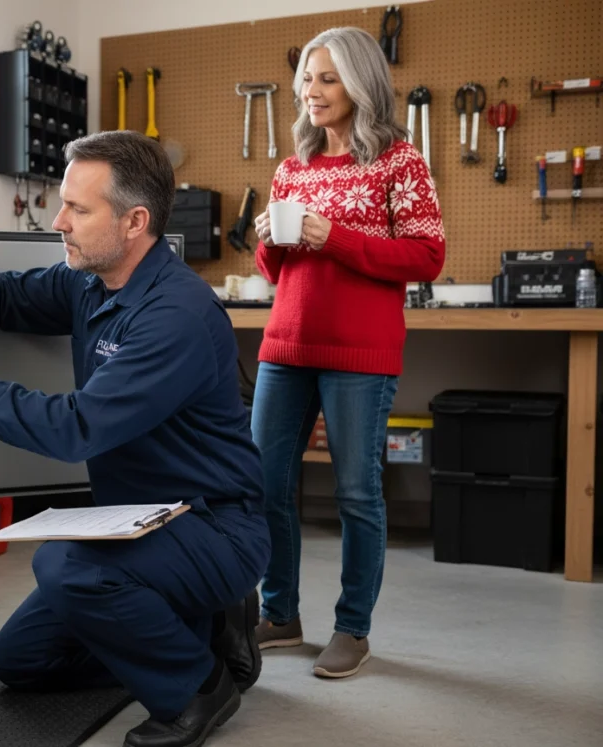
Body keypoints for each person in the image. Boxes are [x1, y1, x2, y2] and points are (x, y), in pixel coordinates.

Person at [0, 130, 271, 747]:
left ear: (135, 222)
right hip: (137, 523)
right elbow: (9, 295)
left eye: (78, 210)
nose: (59, 221)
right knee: (21, 662)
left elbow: (78, 427)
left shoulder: (176, 316)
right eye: (63, 204)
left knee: (66, 564)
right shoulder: (92, 282)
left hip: (211, 526)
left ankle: (198, 685)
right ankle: (200, 625)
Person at [250, 27, 445, 678]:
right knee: (264, 481)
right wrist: (270, 238)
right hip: (286, 342)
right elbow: (277, 271)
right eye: (307, 78)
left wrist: (333, 235)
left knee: (358, 493)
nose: (312, 91)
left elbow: (426, 255)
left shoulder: (398, 161)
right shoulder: (292, 167)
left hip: (360, 350)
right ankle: (279, 612)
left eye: (327, 78)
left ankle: (353, 628)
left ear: (361, 83)